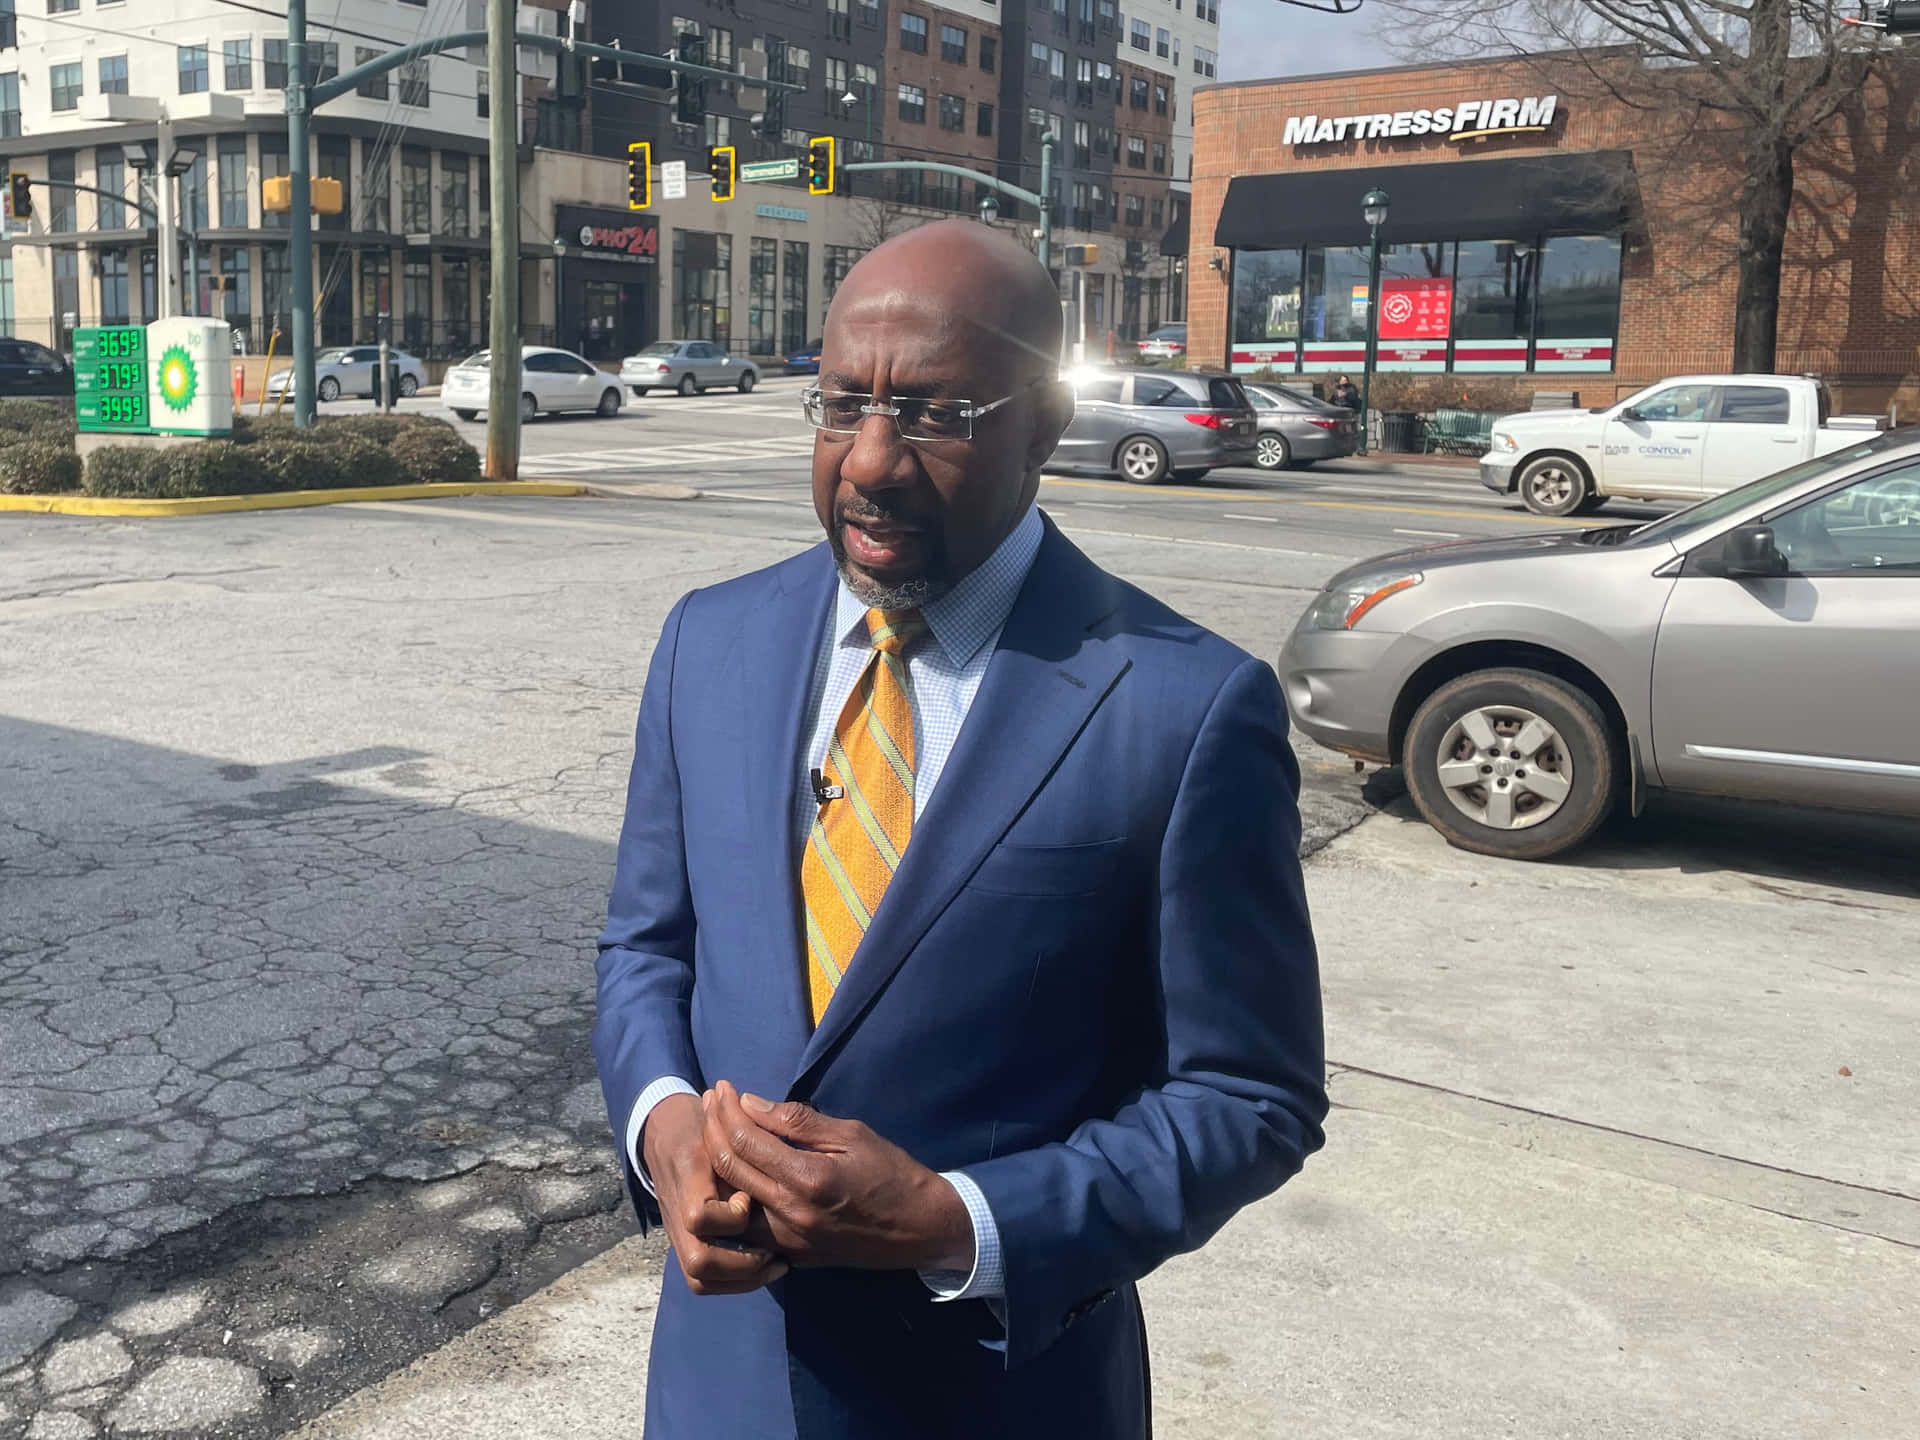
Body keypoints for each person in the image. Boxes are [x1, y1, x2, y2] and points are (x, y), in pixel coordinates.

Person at [594, 218, 1326, 1439]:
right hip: (718, 1385)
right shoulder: (706, 646)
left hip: (1000, 1398)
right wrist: (663, 1126)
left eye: (936, 415)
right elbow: (645, 951)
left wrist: (958, 1222)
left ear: (1044, 425)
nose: (870, 461)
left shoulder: (1187, 708)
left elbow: (1249, 1093)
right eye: (840, 405)